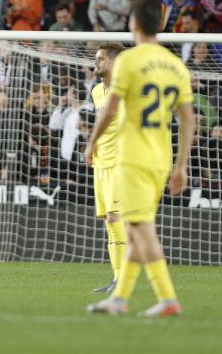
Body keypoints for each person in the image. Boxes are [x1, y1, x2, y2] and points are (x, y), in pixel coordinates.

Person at [85, 0, 195, 317]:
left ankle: (167, 297)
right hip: (161, 157)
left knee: (141, 227)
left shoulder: (129, 61)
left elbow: (110, 107)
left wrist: (91, 141)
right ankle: (119, 298)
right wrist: (181, 166)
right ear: (159, 25)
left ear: (134, 24)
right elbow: (188, 118)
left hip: (131, 157)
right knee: (134, 228)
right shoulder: (175, 65)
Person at [87, 43, 127, 293]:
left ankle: (123, 279)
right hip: (100, 165)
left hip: (122, 163)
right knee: (110, 223)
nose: (96, 62)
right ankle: (117, 277)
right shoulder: (96, 92)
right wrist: (91, 146)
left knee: (116, 219)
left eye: (101, 59)